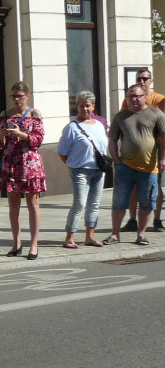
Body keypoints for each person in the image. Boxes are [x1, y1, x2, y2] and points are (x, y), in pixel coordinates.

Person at [105, 83, 165, 246]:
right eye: (131, 96)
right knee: (119, 202)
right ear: (127, 98)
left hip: (149, 168)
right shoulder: (120, 116)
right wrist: (116, 160)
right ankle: (115, 234)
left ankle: (141, 234)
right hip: (125, 167)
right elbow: (112, 140)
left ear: (145, 97)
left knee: (146, 202)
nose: (134, 99)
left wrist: (163, 158)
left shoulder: (156, 114)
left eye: (138, 96)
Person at [0, 81, 46, 260]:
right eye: (14, 96)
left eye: (20, 96)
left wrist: (22, 135)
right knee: (13, 205)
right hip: (11, 162)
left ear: (27, 96)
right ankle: (16, 243)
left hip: (29, 163)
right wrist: (2, 135)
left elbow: (38, 140)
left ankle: (34, 244)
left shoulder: (34, 114)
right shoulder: (5, 114)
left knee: (32, 204)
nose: (17, 99)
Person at [57, 90, 108, 248]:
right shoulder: (71, 128)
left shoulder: (99, 125)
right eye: (81, 106)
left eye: (87, 106)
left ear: (93, 107)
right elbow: (62, 152)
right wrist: (73, 164)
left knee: (94, 204)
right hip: (80, 170)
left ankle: (90, 236)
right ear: (77, 108)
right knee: (79, 203)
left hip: (98, 170)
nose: (85, 109)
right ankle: (69, 237)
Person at [122, 68, 164, 232]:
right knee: (133, 185)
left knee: (155, 185)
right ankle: (132, 220)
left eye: (145, 79)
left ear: (150, 81)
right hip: (132, 149)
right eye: (139, 78)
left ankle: (157, 219)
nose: (142, 81)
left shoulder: (158, 99)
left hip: (155, 147)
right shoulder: (128, 100)